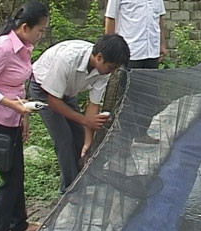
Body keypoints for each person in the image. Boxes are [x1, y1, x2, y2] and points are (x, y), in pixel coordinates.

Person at [28, 35, 129, 193]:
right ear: (99, 57)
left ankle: (80, 179)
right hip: (44, 90)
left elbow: (93, 106)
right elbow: (54, 102)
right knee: (64, 139)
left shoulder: (104, 70)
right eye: (111, 67)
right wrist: (85, 121)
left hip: (68, 92)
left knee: (79, 137)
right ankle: (69, 189)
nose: (112, 72)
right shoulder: (68, 59)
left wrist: (87, 141)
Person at [0, 0, 48, 231]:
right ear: (25, 27)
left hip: (13, 119)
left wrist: (22, 113)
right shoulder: (4, 47)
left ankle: (19, 225)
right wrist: (11, 105)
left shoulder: (25, 47)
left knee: (16, 175)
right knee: (10, 180)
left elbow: (17, 84)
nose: (42, 36)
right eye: (40, 31)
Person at [105, 0, 165, 144]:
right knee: (128, 98)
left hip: (151, 50)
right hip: (130, 53)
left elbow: (160, 17)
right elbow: (110, 18)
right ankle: (124, 137)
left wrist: (162, 43)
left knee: (149, 97)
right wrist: (110, 51)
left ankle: (141, 133)